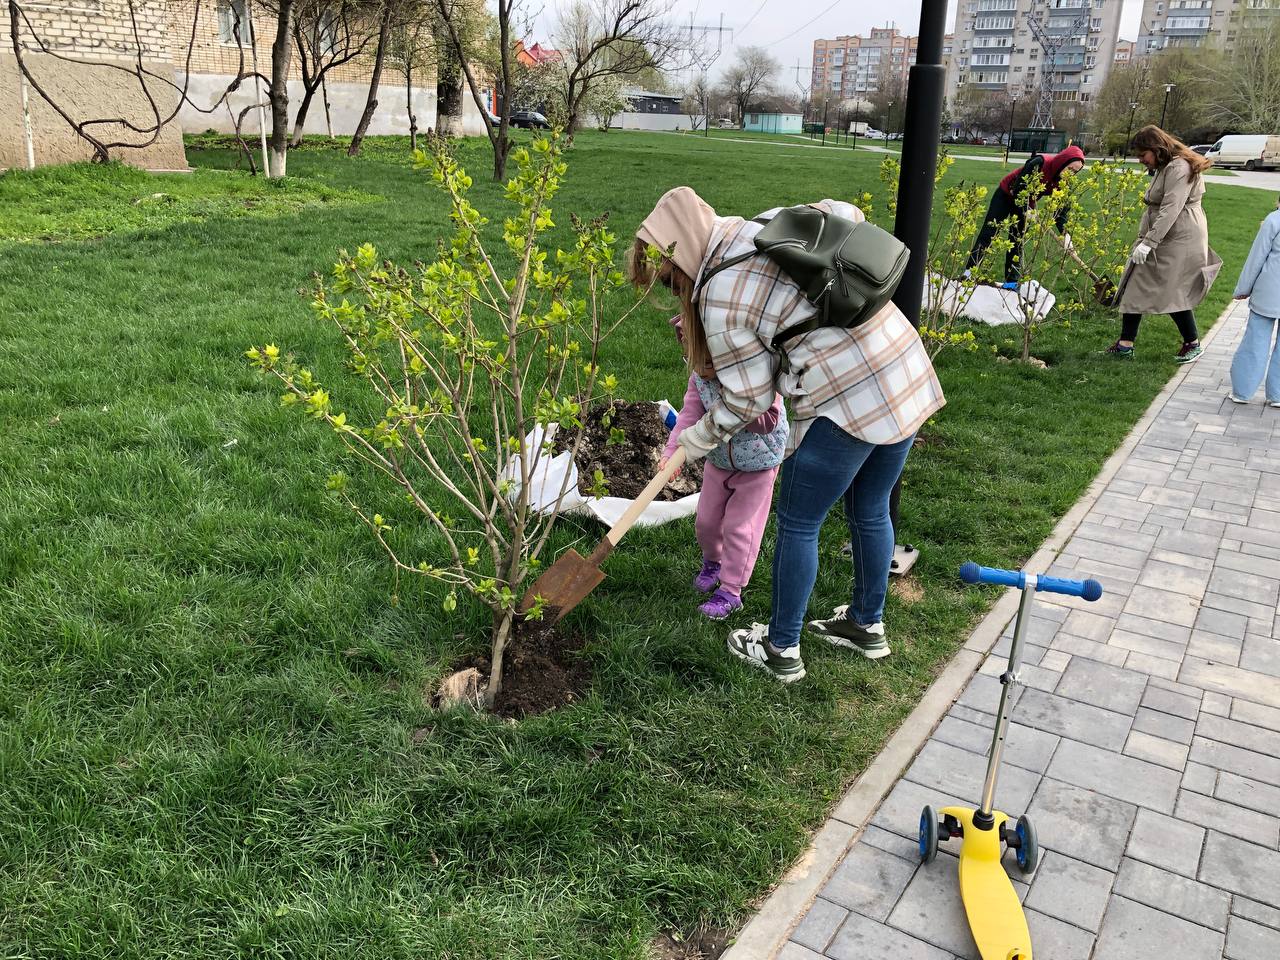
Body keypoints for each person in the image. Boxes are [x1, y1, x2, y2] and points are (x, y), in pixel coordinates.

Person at [629, 187, 945, 683]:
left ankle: (781, 648)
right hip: (902, 365)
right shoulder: (761, 223)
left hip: (848, 397)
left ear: (682, 259)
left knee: (799, 520)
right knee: (871, 507)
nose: (674, 292)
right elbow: (845, 213)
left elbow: (747, 400)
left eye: (671, 280)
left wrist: (694, 441)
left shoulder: (719, 291)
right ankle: (866, 624)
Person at [660, 316, 788, 621]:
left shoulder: (755, 378)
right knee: (706, 522)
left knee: (739, 528)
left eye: (705, 360)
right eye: (691, 358)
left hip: (758, 464)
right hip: (718, 462)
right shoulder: (700, 378)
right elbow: (689, 414)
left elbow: (768, 420)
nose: (699, 368)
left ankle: (731, 591)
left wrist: (731, 409)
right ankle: (713, 563)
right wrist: (671, 452)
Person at [1106, 125, 1222, 363]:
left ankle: (1192, 343)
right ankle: (1126, 343)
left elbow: (1171, 208)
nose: (1141, 161)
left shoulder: (1179, 167)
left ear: (1156, 149)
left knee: (1172, 287)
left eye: (1142, 155)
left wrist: (1149, 243)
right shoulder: (1165, 166)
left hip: (1180, 236)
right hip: (1166, 233)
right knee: (1136, 281)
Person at [965, 145, 1085, 283]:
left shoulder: (1065, 183)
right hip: (1006, 195)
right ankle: (968, 274)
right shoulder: (1039, 163)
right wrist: (1026, 209)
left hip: (1028, 203)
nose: (1070, 174)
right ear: (1063, 162)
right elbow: (1019, 187)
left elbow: (1061, 211)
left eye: (1075, 172)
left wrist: (1066, 235)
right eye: (1069, 169)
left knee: (1017, 240)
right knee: (989, 233)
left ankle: (1011, 282)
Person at [1228, 195, 1280, 405]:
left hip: (1269, 290)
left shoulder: (1273, 220)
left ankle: (1243, 391)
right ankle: (1277, 394)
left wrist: (1243, 288)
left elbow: (1256, 257)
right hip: (1269, 292)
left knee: (1255, 340)